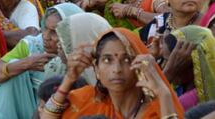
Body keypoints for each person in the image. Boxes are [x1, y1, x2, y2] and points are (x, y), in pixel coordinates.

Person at [40, 28, 184, 118]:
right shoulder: (86, 101)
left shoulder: (157, 110)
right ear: (96, 68)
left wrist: (164, 94)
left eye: (127, 59)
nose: (117, 69)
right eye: (107, 60)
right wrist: (69, 79)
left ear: (140, 64)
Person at [0, 3, 81, 119]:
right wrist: (26, 64)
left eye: (54, 32)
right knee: (13, 68)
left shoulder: (82, 55)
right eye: (45, 28)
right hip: (26, 111)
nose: (46, 36)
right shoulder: (33, 46)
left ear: (72, 33)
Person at [163, 25, 215, 111]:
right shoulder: (181, 87)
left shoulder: (186, 102)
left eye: (169, 61)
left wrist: (169, 72)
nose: (165, 66)